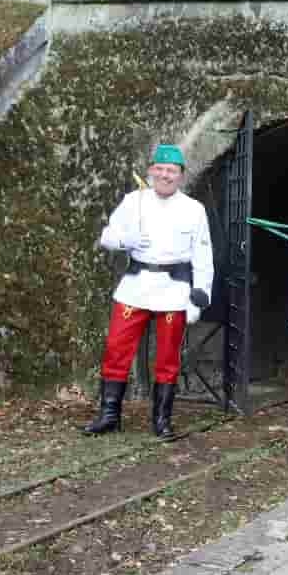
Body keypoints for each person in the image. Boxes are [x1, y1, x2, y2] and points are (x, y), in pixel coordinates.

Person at [85, 144, 214, 440]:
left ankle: (162, 419)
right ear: (152, 170)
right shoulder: (134, 202)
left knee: (168, 357)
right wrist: (125, 239)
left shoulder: (194, 210)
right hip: (137, 286)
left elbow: (203, 255)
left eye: (172, 171)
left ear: (181, 175)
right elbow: (107, 236)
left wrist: (199, 294)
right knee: (117, 348)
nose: (165, 175)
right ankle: (109, 415)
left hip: (173, 289)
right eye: (160, 169)